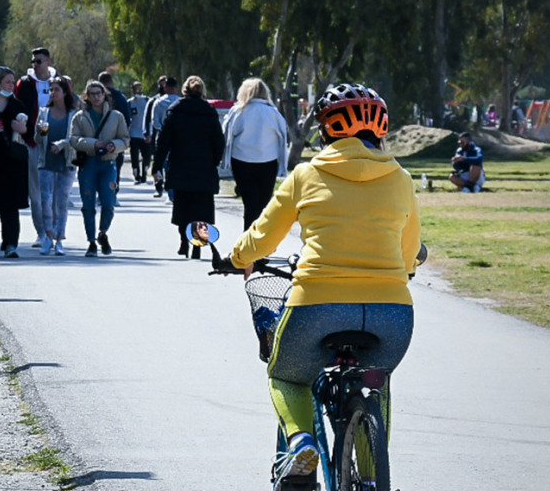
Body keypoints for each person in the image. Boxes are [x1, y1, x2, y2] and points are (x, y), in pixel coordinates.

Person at [227, 83, 419, 491]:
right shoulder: (401, 179)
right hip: (392, 311)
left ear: (326, 131)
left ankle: (301, 443)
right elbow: (409, 254)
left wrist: (237, 257)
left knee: (288, 375)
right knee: (376, 379)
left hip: (317, 303)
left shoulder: (306, 174)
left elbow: (263, 237)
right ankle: (371, 475)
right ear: (381, 131)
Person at [153, 76, 225, 258]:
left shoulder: (175, 111)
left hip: (180, 166)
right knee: (201, 209)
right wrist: (215, 161)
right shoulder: (209, 112)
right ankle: (197, 246)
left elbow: (163, 142)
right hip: (204, 167)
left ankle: (184, 241)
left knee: (182, 208)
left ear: (184, 90)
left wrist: (157, 166)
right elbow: (219, 141)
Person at [69, 79, 129, 257]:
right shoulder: (80, 117)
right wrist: (93, 144)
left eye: (99, 93)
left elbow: (125, 139)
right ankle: (91, 242)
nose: (96, 97)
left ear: (104, 95)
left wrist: (113, 145)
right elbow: (74, 139)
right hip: (88, 163)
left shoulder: (116, 116)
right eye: (92, 94)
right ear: (87, 96)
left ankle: (103, 232)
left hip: (108, 163)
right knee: (88, 204)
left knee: (108, 202)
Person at [221, 77, 289, 229]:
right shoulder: (273, 113)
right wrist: (283, 166)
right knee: (263, 204)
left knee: (250, 204)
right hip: (268, 162)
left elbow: (227, 135)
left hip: (241, 162)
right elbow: (283, 138)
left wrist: (225, 161)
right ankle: (260, 235)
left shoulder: (238, 111)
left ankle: (248, 235)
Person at [13, 47, 57, 249]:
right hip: (32, 141)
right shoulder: (24, 83)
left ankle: (54, 230)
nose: (35, 64)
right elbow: (16, 107)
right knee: (36, 191)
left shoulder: (59, 81)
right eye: (33, 61)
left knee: (54, 190)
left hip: (55, 143)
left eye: (39, 61)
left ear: (48, 62)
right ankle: (41, 233)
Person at [37, 76, 80, 255]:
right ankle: (48, 236)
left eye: (56, 89)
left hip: (67, 161)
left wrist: (62, 144)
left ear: (65, 93)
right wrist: (39, 133)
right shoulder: (44, 112)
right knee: (46, 200)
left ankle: (59, 239)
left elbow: (77, 137)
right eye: (51, 89)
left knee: (61, 201)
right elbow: (37, 138)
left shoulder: (74, 114)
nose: (53, 93)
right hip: (46, 161)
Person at [0, 66, 32, 257]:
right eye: (7, 82)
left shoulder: (18, 106)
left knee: (10, 206)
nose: (11, 85)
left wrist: (23, 129)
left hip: (12, 162)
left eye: (13, 82)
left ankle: (10, 245)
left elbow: (31, 133)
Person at [148, 76, 180, 198]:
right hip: (178, 139)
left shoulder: (158, 102)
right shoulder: (180, 102)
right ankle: (173, 193)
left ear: (165, 88)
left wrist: (164, 129)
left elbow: (155, 122)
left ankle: (168, 190)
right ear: (176, 88)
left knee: (164, 163)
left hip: (163, 138)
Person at [99, 71, 130, 195]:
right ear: (111, 81)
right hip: (116, 138)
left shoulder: (94, 95)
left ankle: (101, 193)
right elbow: (127, 117)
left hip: (98, 138)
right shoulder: (120, 96)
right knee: (115, 166)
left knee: (98, 165)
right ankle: (113, 192)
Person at [127, 81, 151, 183]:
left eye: (140, 88)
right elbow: (127, 118)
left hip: (145, 133)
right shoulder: (130, 103)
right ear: (132, 90)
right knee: (134, 156)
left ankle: (145, 173)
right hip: (134, 133)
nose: (139, 90)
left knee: (147, 155)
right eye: (136, 88)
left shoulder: (148, 101)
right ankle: (136, 174)